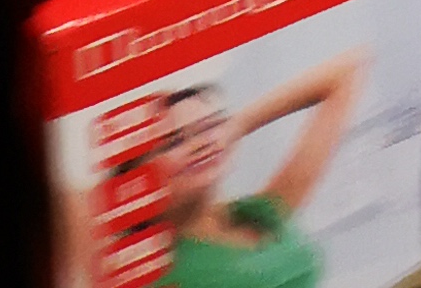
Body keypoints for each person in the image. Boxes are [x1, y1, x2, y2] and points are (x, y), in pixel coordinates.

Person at [135, 53, 364, 288]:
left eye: (209, 126)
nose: (201, 143)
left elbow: (344, 73)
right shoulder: (155, 267)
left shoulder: (256, 213)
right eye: (173, 142)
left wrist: (229, 130)